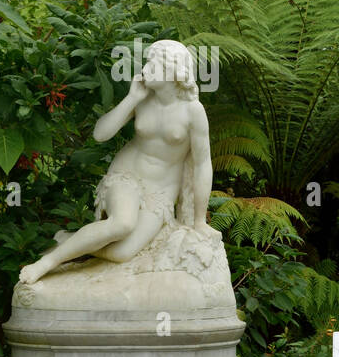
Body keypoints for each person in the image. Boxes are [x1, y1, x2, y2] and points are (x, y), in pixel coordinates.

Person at [19, 40, 215, 285]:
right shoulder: (142, 100)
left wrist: (198, 220)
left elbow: (202, 164)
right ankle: (48, 262)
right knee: (122, 224)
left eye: (152, 64)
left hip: (160, 194)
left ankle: (70, 239)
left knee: (123, 253)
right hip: (127, 176)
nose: (145, 69)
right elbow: (101, 134)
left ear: (172, 69)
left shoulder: (193, 111)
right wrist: (132, 98)